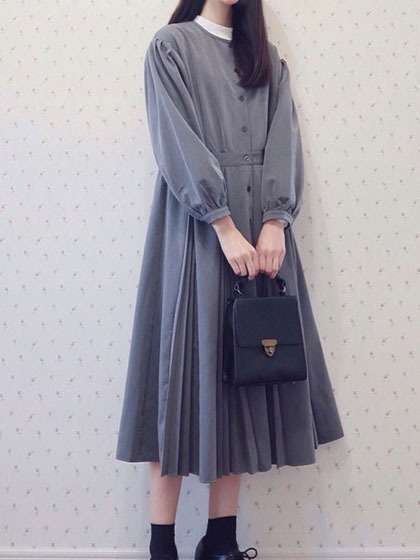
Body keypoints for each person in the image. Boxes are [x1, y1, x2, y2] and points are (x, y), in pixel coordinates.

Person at [115, 1, 345, 559]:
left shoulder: (265, 57)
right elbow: (175, 143)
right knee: (176, 382)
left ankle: (220, 542)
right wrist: (221, 224)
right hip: (196, 235)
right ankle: (162, 545)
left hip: (262, 238)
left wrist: (275, 222)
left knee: (245, 374)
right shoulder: (170, 47)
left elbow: (283, 141)